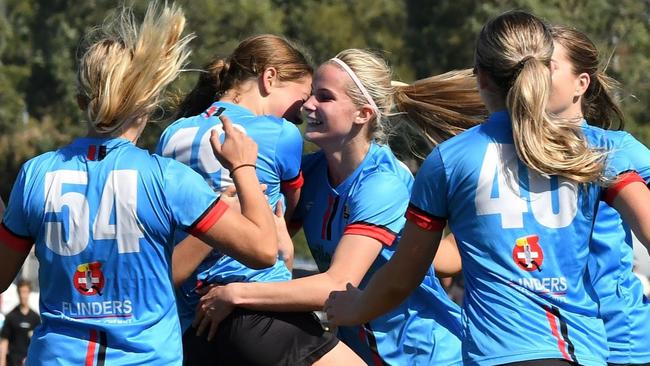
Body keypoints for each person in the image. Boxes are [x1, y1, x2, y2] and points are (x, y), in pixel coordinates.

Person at [325, 10, 650, 366]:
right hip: (584, 353)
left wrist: (356, 307)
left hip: (502, 354)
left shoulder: (450, 160)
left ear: (479, 77)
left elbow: (403, 278)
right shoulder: (601, 151)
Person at [0, 3, 279, 365]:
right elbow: (262, 250)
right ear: (149, 103)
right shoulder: (167, 178)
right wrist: (242, 166)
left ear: (81, 100)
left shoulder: (35, 175)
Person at [196, 48, 486, 365]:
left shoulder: (381, 184)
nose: (308, 105)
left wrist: (237, 294)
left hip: (424, 357)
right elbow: (260, 243)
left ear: (363, 114)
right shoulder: (311, 173)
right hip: (360, 354)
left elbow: (337, 284)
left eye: (325, 97)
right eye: (310, 95)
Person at [159, 35, 363, 366]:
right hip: (257, 308)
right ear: (269, 78)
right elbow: (288, 209)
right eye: (299, 101)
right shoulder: (279, 133)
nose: (301, 112)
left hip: (192, 322)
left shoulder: (173, 134)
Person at [550, 25, 650, 366]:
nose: (534, 78)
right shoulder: (506, 153)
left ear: (581, 84)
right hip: (549, 338)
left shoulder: (614, 149)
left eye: (549, 67)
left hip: (618, 337)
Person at [0, 280, 39, 366]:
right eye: (21, 292)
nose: (23, 296)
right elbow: (4, 341)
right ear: (18, 293)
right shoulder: (11, 316)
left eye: (25, 292)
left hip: (29, 361)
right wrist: (2, 363)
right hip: (13, 361)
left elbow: (38, 342)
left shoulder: (35, 318)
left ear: (29, 293)